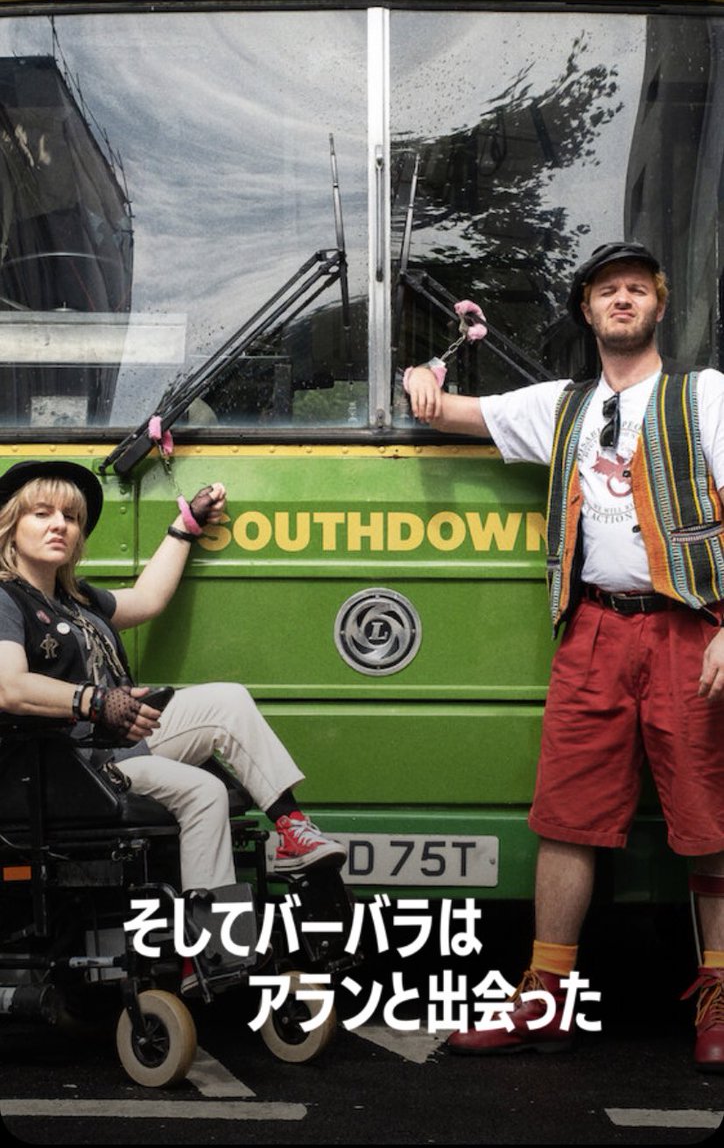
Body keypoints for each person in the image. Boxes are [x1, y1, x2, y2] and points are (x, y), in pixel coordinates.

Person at [405, 242, 724, 1071]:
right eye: (606, 290)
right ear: (586, 311)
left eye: (636, 289)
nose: (622, 299)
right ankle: (546, 998)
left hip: (690, 625)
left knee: (710, 820)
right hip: (592, 629)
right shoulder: (562, 404)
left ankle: (721, 997)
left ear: (658, 307)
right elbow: (449, 414)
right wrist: (420, 378)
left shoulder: (704, 396)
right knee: (567, 816)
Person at [0, 460, 346, 903]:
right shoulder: (6, 599)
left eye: (70, 517)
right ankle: (212, 940)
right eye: (42, 514)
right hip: (71, 763)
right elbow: (9, 686)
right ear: (11, 526)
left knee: (228, 700)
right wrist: (95, 700)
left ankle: (292, 828)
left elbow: (147, 599)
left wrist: (185, 528)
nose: (59, 526)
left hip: (117, 743)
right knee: (205, 789)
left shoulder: (75, 600)